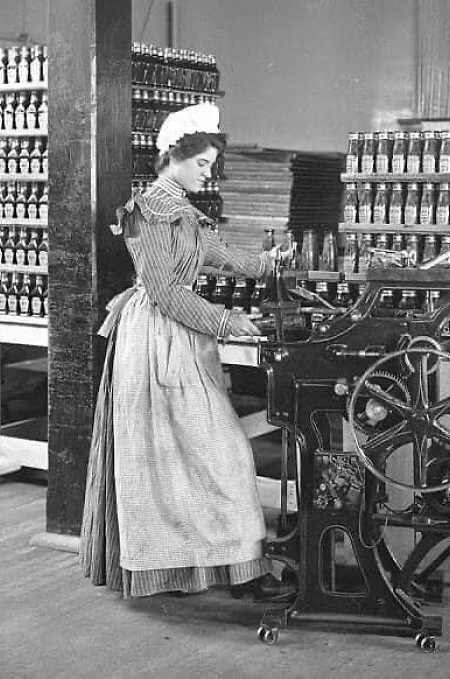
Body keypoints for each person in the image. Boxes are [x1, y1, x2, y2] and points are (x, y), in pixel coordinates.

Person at [80, 102, 280, 598]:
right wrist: (227, 320)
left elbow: (214, 254)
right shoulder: (146, 212)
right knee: (208, 452)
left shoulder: (182, 211)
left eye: (212, 166)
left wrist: (268, 265)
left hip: (179, 337)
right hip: (154, 339)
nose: (207, 175)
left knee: (188, 456)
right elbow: (167, 292)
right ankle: (227, 571)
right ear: (172, 156)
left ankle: (218, 567)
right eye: (202, 165)